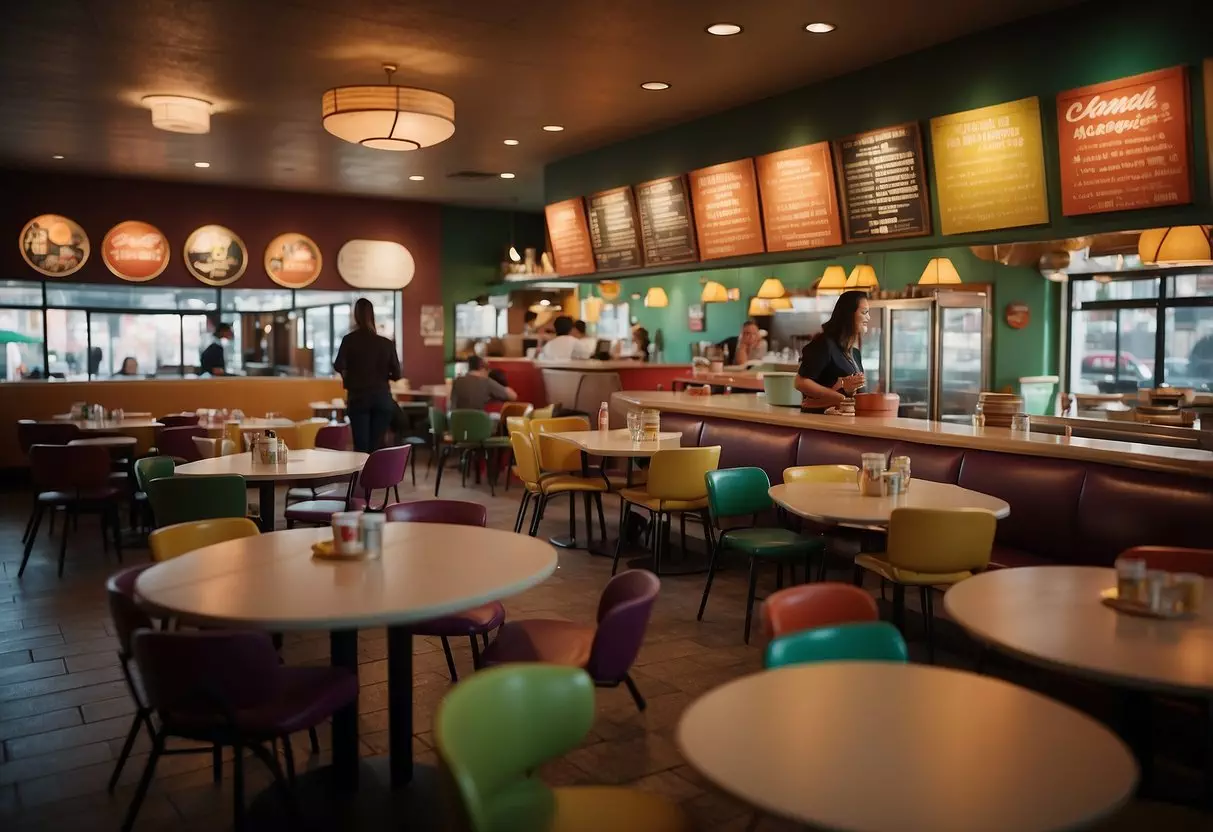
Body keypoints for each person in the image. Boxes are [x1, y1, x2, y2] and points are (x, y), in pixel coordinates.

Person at [333, 298, 402, 452]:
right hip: (382, 399)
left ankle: (362, 476)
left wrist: (350, 375)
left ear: (355, 316)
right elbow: (397, 374)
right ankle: (377, 475)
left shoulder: (349, 340)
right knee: (377, 447)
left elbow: (338, 365)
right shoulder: (386, 343)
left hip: (358, 398)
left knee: (361, 447)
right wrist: (381, 373)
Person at [794, 290, 869, 413]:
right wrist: (838, 396)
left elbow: (845, 391)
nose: (868, 317)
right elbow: (800, 382)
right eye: (864, 312)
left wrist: (849, 389)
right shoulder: (824, 344)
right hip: (822, 423)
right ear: (849, 314)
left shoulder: (855, 353)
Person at [451, 356, 518, 410]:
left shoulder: (456, 381)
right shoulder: (486, 382)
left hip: (457, 422)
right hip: (479, 423)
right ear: (482, 368)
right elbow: (513, 396)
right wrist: (504, 388)